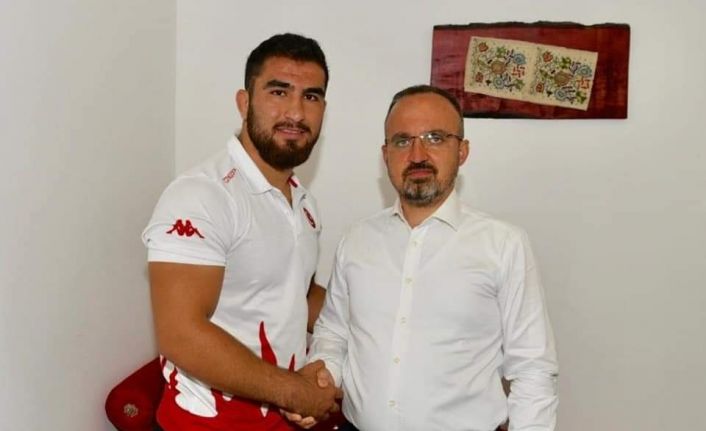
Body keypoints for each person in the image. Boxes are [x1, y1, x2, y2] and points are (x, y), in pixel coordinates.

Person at [307, 85, 559, 431]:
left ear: (462, 151)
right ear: (385, 154)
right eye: (402, 141)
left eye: (435, 138)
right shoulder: (356, 241)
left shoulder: (503, 245)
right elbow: (334, 333)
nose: (417, 155)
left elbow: (533, 369)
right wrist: (322, 377)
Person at [142, 33, 338, 431]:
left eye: (311, 96)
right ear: (244, 103)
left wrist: (367, 322)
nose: (296, 112)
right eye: (279, 92)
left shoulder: (303, 202)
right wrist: (295, 391)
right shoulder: (202, 195)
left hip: (281, 421)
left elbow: (295, 291)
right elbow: (181, 333)